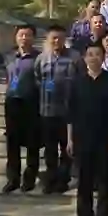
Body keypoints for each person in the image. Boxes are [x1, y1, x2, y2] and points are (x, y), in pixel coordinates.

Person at [67, 43, 108, 216]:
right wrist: (70, 139)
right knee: (84, 180)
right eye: (90, 54)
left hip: (105, 138)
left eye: (97, 54)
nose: (93, 57)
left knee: (105, 180)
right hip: (82, 138)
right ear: (84, 58)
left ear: (104, 57)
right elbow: (71, 113)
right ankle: (84, 215)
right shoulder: (76, 82)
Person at [33, 25, 82, 194]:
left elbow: (81, 79)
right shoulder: (41, 59)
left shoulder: (75, 57)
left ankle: (63, 179)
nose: (56, 41)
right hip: (47, 111)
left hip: (67, 112)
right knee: (50, 149)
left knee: (67, 149)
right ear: (48, 39)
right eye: (53, 38)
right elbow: (37, 79)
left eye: (60, 38)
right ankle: (51, 179)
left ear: (65, 39)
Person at [2, 24, 41, 193]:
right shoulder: (9, 57)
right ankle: (13, 179)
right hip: (12, 103)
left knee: (32, 143)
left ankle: (29, 179)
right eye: (21, 35)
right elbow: (8, 78)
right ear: (16, 37)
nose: (24, 38)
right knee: (12, 143)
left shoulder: (39, 58)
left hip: (31, 103)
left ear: (33, 38)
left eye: (28, 35)